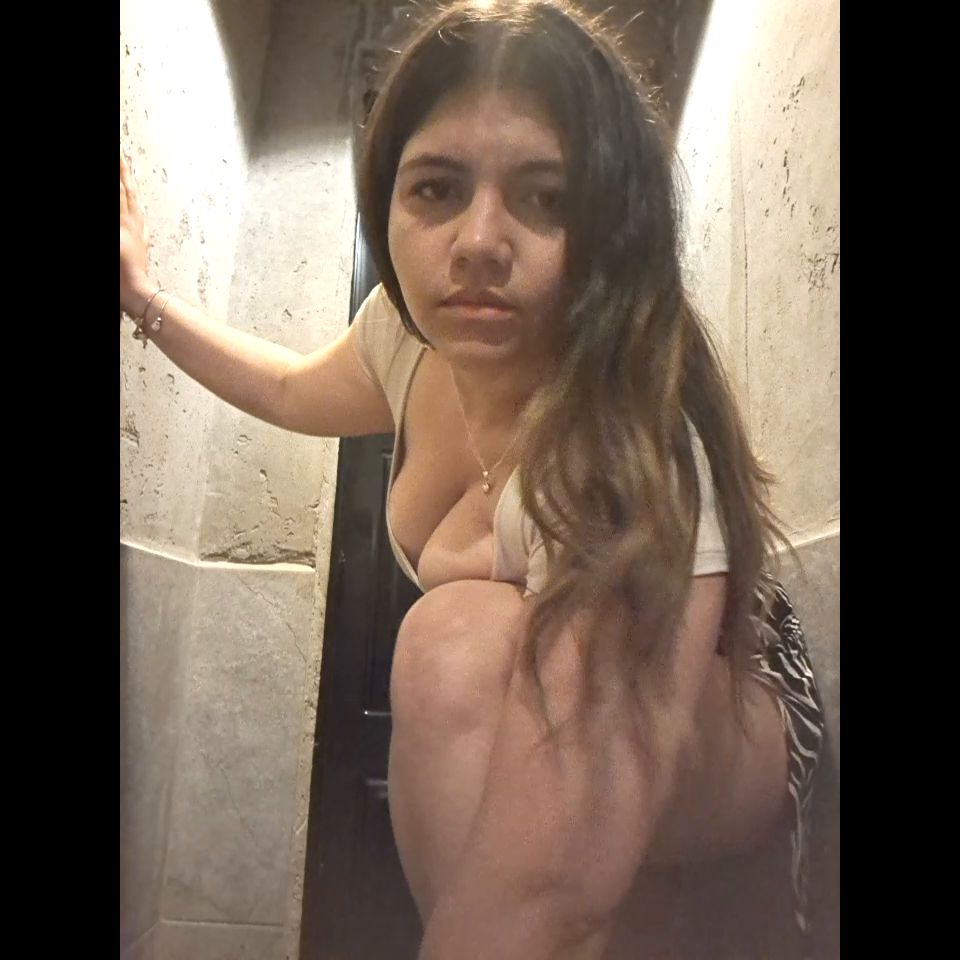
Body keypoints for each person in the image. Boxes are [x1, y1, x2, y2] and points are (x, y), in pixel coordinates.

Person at [119, 2, 824, 957]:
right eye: (437, 188)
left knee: (464, 665)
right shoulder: (403, 337)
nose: (480, 241)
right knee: (453, 644)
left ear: (612, 229)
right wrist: (142, 298)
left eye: (546, 197)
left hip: (731, 703)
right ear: (388, 203)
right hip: (526, 699)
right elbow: (287, 388)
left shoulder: (623, 441)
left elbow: (557, 880)